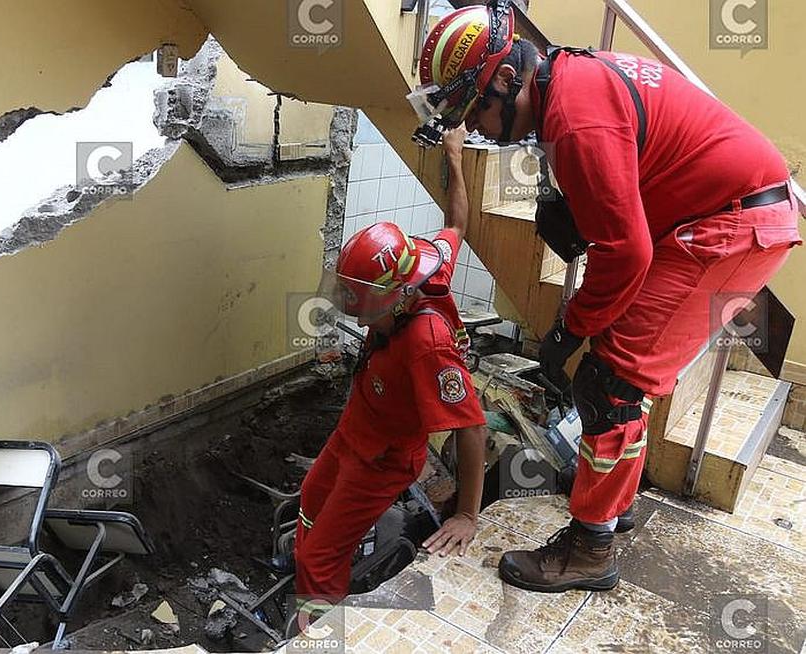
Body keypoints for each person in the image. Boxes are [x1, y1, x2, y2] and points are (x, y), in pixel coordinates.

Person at [416, 1, 801, 592]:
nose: (483, 134)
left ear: (503, 79)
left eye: (477, 114)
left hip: (730, 226)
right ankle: (616, 504)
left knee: (612, 380)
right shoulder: (569, 80)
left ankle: (589, 549)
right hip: (721, 215)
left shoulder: (574, 119)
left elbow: (625, 255)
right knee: (624, 376)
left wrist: (568, 330)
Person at [294, 125, 490, 603]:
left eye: (356, 298)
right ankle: (313, 569)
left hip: (382, 459)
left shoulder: (426, 345)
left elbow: (472, 429)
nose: (346, 304)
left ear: (397, 297)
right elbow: (457, 224)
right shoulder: (422, 265)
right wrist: (454, 154)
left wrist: (467, 514)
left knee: (319, 558)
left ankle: (321, 628)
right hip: (355, 429)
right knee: (308, 510)